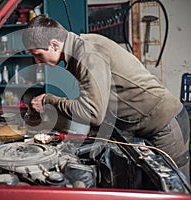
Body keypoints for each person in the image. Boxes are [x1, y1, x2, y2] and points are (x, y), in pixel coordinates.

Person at [22, 15, 190, 180]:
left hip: (164, 125)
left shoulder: (87, 55)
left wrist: (48, 100)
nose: (37, 62)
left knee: (173, 186)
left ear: (54, 44)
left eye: (38, 54)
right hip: (138, 125)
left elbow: (93, 114)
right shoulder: (78, 50)